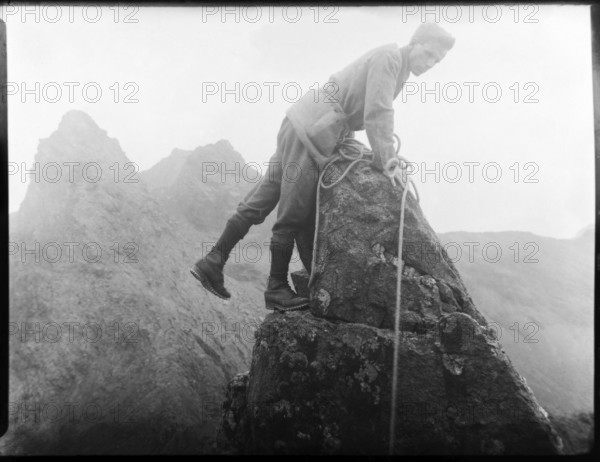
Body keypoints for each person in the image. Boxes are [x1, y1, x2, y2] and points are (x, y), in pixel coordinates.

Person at [190, 22, 455, 311]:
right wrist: (388, 159)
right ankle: (276, 288)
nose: (430, 64)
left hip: (305, 123)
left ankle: (213, 261)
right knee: (295, 212)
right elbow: (378, 111)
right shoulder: (389, 59)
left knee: (263, 197)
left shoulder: (397, 65)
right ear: (415, 43)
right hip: (313, 130)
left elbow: (363, 108)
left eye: (436, 61)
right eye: (429, 54)